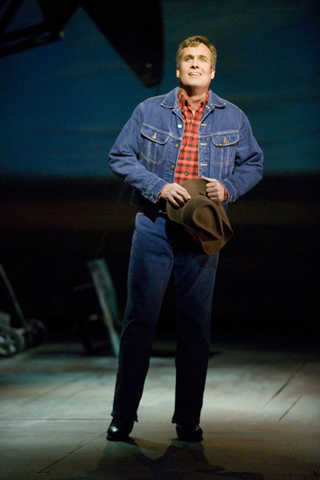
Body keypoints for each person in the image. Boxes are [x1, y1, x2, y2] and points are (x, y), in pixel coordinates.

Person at [107, 35, 263, 442]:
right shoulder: (148, 111)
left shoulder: (234, 118)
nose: (195, 64)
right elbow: (120, 156)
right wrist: (158, 185)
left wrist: (227, 188)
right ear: (178, 70)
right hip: (155, 225)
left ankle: (188, 419)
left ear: (212, 71)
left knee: (195, 325)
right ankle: (123, 416)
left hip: (203, 231)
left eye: (202, 60)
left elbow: (254, 164)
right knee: (139, 322)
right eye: (188, 59)